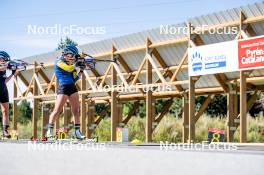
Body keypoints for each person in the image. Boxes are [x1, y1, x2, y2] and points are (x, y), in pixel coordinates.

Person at [46, 45, 85, 140]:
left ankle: (77, 132)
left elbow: (74, 78)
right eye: (71, 55)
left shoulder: (71, 64)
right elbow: (68, 69)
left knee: (76, 111)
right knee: (57, 110)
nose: (73, 57)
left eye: (74, 56)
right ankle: (49, 131)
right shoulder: (58, 61)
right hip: (63, 88)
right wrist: (76, 65)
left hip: (72, 87)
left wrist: (81, 71)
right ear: (65, 54)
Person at [0, 51, 19, 138]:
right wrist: (10, 64)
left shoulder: (4, 68)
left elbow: (4, 80)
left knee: (5, 111)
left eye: (5, 60)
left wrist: (12, 73)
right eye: (4, 59)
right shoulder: (2, 67)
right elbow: (2, 68)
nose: (4, 61)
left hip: (3, 89)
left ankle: (5, 131)